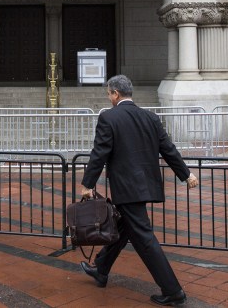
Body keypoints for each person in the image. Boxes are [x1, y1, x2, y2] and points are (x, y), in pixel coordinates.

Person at [79, 74, 199, 306]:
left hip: (127, 187)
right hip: (146, 185)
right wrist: (186, 174)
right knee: (123, 227)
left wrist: (88, 184)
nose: (109, 98)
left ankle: (173, 291)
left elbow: (99, 154)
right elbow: (168, 149)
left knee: (144, 239)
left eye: (109, 94)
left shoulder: (108, 118)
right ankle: (101, 269)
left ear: (115, 93)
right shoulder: (150, 117)